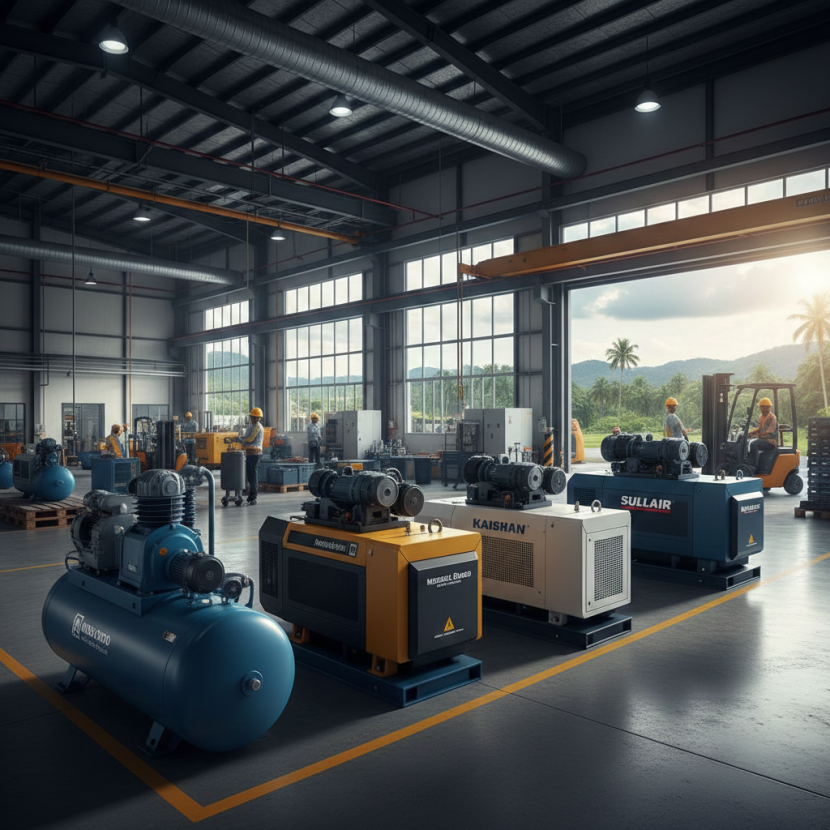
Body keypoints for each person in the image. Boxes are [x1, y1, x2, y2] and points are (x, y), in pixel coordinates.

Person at [239, 407, 264, 505]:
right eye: (251, 417)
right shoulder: (251, 426)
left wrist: (240, 439)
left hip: (255, 453)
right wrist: (241, 438)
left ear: (258, 418)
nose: (252, 419)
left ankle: (253, 496)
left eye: (254, 417)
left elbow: (249, 439)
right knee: (250, 475)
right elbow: (247, 437)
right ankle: (249, 493)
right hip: (250, 453)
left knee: (253, 475)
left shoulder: (258, 427)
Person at [747, 397, 778, 468]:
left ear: (769, 408)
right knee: (747, 442)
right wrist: (749, 434)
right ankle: (749, 460)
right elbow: (760, 429)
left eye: (765, 408)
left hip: (770, 442)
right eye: (761, 407)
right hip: (764, 439)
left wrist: (755, 436)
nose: (763, 410)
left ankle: (753, 465)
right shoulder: (761, 417)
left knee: (754, 444)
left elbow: (766, 432)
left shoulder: (771, 417)